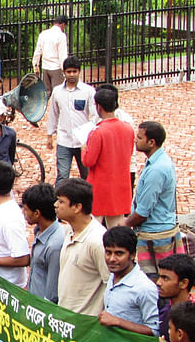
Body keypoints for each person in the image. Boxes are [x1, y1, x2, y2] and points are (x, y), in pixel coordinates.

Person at [126, 121, 184, 279]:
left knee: (156, 283)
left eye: (139, 137)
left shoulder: (156, 169)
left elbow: (143, 212)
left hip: (155, 237)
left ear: (151, 142)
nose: (135, 140)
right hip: (161, 231)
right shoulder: (160, 162)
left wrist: (125, 225)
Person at [81, 84, 134, 229]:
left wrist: (83, 147)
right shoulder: (128, 129)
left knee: (93, 229)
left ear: (99, 107)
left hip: (100, 187)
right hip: (120, 185)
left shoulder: (98, 132)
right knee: (117, 231)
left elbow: (88, 161)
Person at [55, 178, 110, 316]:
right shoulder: (69, 231)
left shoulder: (97, 241)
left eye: (61, 202)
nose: (56, 205)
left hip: (85, 324)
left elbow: (109, 282)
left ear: (77, 207)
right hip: (65, 319)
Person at [96, 226, 160, 336]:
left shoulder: (144, 288)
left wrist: (118, 322)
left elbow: (154, 331)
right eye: (108, 252)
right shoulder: (113, 276)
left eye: (119, 253)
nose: (112, 259)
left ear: (132, 255)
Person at [46, 55, 97, 185]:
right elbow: (53, 114)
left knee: (87, 176)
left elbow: (95, 115)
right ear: (64, 73)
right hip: (64, 139)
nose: (72, 75)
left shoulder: (88, 91)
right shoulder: (57, 92)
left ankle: (90, 203)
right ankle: (58, 203)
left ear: (79, 71)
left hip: (83, 142)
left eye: (75, 71)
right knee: (62, 176)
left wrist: (91, 135)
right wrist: (50, 135)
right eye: (69, 72)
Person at [22, 183, 65, 304]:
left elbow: (52, 293)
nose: (23, 213)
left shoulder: (54, 246)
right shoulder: (39, 231)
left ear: (37, 213)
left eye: (26, 209)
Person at [157, 254, 195, 342]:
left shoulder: (193, 315)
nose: (158, 283)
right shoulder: (162, 309)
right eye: (159, 276)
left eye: (165, 278)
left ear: (183, 283)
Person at [32, 14, 68, 93]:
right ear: (63, 24)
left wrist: (35, 65)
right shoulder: (61, 36)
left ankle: (45, 106)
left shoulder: (43, 34)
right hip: (56, 68)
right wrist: (65, 70)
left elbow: (37, 51)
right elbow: (62, 55)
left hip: (45, 68)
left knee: (46, 93)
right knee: (58, 92)